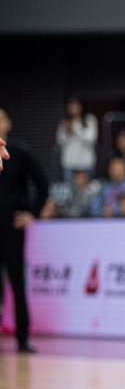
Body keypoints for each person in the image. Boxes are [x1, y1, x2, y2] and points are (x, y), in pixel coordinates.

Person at [0, 108, 49, 353]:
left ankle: (22, 338)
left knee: (17, 282)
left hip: (12, 225)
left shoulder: (19, 152)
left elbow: (42, 182)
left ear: (8, 123)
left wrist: (32, 212)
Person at [56, 97, 98, 180]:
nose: (73, 108)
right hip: (69, 163)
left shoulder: (89, 119)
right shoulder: (65, 121)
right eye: (70, 106)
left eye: (75, 105)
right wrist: (66, 131)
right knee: (69, 187)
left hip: (86, 162)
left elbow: (91, 139)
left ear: (81, 106)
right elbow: (60, 141)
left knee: (88, 188)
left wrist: (74, 128)